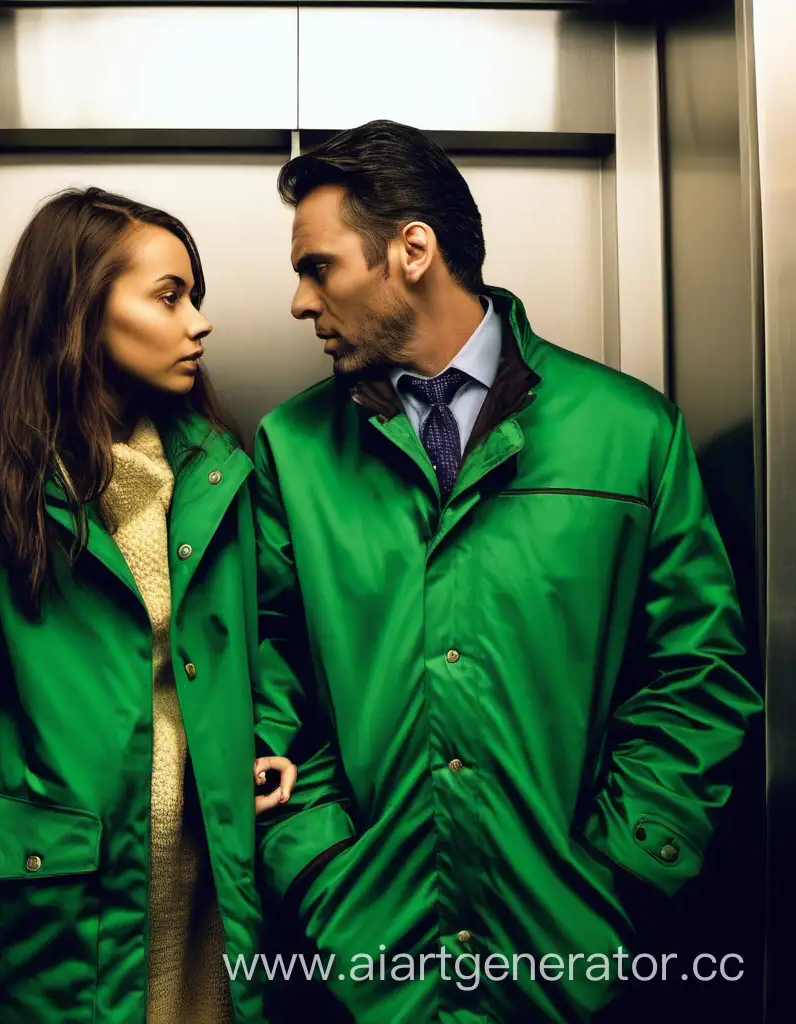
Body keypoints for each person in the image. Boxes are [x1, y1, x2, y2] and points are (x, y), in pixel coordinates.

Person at [250, 121, 763, 1023]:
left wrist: (623, 866)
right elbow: (264, 675)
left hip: (576, 957)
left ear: (412, 250)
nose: (299, 301)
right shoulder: (292, 451)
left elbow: (699, 676)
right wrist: (323, 863)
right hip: (370, 959)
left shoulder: (631, 434)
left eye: (318, 266)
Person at [0, 186, 295, 1023]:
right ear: (78, 307)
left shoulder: (218, 469)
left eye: (197, 297)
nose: (199, 324)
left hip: (217, 880)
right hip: (64, 917)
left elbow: (271, 634)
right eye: (169, 297)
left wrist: (274, 735)